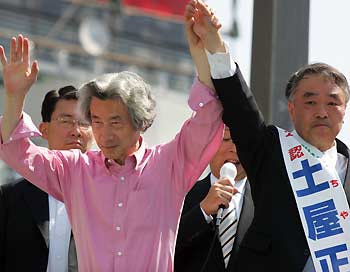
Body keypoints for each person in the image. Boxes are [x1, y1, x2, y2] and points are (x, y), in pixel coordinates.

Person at [0, 29, 224, 271]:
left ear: (140, 122)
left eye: (115, 122)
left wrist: (202, 55)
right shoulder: (75, 170)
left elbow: (209, 116)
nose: (104, 135)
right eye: (96, 121)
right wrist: (15, 96)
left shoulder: (169, 164)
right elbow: (15, 150)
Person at [187, 1, 350, 271]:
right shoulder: (272, 151)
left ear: (344, 112)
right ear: (292, 108)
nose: (322, 112)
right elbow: (241, 108)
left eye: (332, 103)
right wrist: (216, 46)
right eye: (310, 102)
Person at [0, 85, 94, 272]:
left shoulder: (108, 195)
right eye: (66, 121)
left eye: (84, 123)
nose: (76, 131)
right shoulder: (10, 197)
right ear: (43, 129)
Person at [175, 127, 254, 271]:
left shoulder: (266, 199)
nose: (234, 149)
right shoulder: (181, 195)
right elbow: (163, 249)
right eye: (226, 139)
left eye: (241, 140)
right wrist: (202, 212)